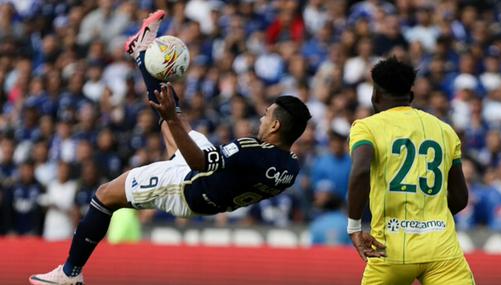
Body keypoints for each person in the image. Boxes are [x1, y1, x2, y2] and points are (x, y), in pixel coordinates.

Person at [29, 10, 311, 285]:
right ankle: (142, 51)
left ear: (275, 127)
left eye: (266, 115)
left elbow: (199, 163)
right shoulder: (291, 166)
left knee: (105, 195)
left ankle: (70, 273)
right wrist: (173, 119)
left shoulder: (251, 150)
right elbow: (230, 163)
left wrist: (172, 119)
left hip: (186, 187)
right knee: (172, 119)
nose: (261, 118)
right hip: (213, 191)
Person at [346, 57, 474, 284]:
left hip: (389, 250)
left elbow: (360, 171)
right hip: (442, 251)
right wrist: (429, 220)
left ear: (375, 95)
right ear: (411, 96)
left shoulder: (365, 128)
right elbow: (461, 198)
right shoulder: (445, 130)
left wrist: (355, 226)